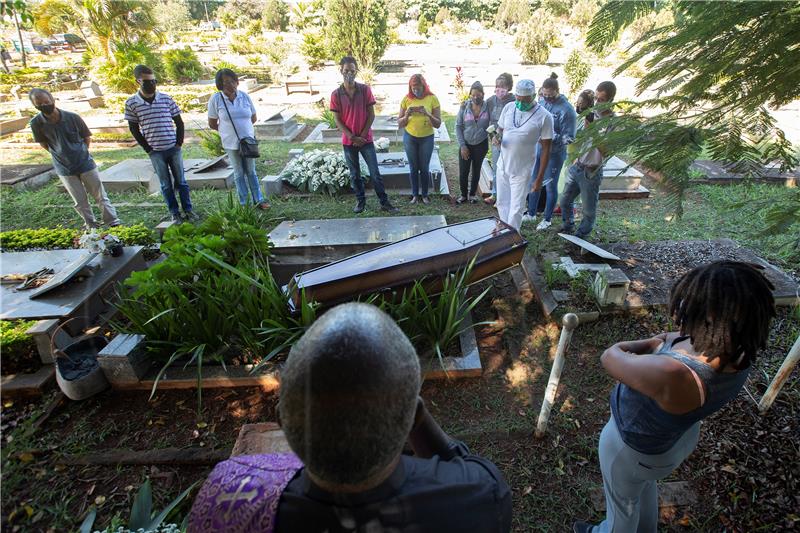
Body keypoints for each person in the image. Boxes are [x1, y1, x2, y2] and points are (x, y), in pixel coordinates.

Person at [188, 303, 512, 533]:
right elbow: (468, 467)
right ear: (413, 419)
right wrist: (417, 416)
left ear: (283, 423)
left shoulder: (224, 497)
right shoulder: (480, 496)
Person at [573, 261, 776, 533]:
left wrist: (631, 347)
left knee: (621, 508)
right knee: (641, 487)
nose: (681, 312)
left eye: (692, 307)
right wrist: (659, 344)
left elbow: (610, 357)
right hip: (672, 443)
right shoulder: (737, 351)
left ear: (712, 319)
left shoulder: (673, 374)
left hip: (630, 449)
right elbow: (666, 339)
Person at [28, 88, 121, 230]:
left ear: (52, 100)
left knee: (100, 196)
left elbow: (86, 138)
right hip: (64, 168)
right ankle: (91, 224)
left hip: (85, 163)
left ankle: (112, 221)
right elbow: (44, 144)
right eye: (39, 104)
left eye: (46, 102)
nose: (43, 105)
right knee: (80, 200)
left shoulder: (72, 117)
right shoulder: (36, 123)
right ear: (34, 105)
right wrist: (61, 155)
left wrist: (80, 152)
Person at [125, 64, 198, 224]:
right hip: (155, 151)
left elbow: (179, 122)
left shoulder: (165, 98)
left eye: (154, 81)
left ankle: (188, 210)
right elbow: (134, 129)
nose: (151, 84)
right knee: (165, 184)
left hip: (173, 148)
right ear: (138, 81)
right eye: (147, 82)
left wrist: (179, 143)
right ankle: (174, 212)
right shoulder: (132, 103)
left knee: (182, 182)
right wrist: (148, 149)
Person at [330, 56, 397, 214]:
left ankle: (384, 202)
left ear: (356, 71)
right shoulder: (336, 94)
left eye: (352, 71)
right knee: (355, 175)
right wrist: (353, 137)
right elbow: (337, 120)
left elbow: (371, 115)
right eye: (346, 71)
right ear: (341, 71)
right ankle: (360, 202)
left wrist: (362, 135)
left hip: (366, 140)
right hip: (349, 142)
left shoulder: (365, 90)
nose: (349, 74)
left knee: (375, 173)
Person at [559, 81, 616, 239]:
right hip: (577, 166)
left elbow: (607, 151)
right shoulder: (590, 115)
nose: (597, 103)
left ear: (611, 100)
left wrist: (593, 131)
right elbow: (580, 140)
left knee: (588, 210)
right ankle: (567, 225)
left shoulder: (613, 123)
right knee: (564, 201)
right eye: (596, 98)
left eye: (602, 100)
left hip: (592, 171)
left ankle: (581, 236)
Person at [494, 79, 553, 230]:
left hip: (522, 170)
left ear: (534, 96)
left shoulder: (545, 116)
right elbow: (500, 129)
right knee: (501, 202)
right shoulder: (509, 107)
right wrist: (497, 137)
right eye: (518, 99)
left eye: (524, 100)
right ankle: (503, 228)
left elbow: (546, 148)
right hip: (503, 164)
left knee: (516, 207)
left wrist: (539, 179)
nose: (520, 103)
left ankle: (512, 238)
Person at [208, 68, 269, 210]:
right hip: (231, 143)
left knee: (251, 171)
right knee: (239, 172)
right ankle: (244, 202)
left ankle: (259, 199)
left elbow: (253, 117)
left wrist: (244, 132)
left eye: (232, 81)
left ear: (236, 81)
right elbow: (212, 123)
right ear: (220, 85)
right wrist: (226, 132)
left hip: (248, 142)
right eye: (225, 83)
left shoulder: (244, 97)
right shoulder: (216, 99)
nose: (230, 85)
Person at [524, 73, 576, 230]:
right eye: (544, 95)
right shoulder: (542, 102)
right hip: (539, 149)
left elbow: (570, 138)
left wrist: (551, 136)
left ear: (557, 91)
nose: (546, 98)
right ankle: (531, 213)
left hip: (555, 153)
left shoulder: (567, 110)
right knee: (535, 180)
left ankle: (547, 219)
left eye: (549, 96)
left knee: (550, 186)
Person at [398, 74, 441, 204]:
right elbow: (400, 123)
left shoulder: (432, 99)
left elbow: (438, 123)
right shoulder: (406, 99)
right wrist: (406, 115)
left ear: (424, 86)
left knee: (424, 166)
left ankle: (425, 195)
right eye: (413, 88)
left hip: (426, 137)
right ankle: (415, 195)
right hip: (410, 137)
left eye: (418, 88)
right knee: (413, 166)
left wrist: (427, 113)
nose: (416, 90)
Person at [455, 81, 490, 204]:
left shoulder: (488, 107)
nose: (476, 97)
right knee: (464, 171)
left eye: (479, 95)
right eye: (473, 95)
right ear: (470, 95)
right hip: (466, 143)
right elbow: (458, 126)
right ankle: (464, 195)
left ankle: (473, 194)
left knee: (476, 169)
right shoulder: (464, 107)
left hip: (481, 144)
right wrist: (463, 146)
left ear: (483, 95)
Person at [484, 73, 515, 206]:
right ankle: (495, 194)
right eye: (497, 86)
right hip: (495, 140)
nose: (499, 89)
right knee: (497, 167)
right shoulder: (491, 101)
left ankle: (507, 196)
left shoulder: (514, 101)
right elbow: (486, 120)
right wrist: (493, 137)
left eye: (502, 86)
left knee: (508, 168)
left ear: (509, 87)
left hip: (510, 140)